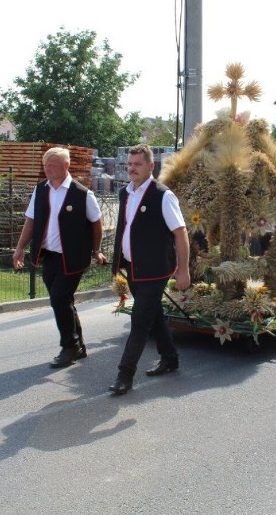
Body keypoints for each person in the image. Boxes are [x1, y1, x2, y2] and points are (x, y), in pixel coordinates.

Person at [12, 147, 106, 368]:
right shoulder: (41, 190)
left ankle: (69, 346)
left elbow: (97, 223)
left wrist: (97, 249)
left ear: (66, 166)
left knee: (58, 299)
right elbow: (31, 220)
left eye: (52, 164)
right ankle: (79, 345)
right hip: (49, 255)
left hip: (73, 257)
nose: (47, 168)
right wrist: (19, 249)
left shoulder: (82, 194)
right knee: (64, 301)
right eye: (45, 165)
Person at [109, 144, 190, 396]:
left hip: (155, 270)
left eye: (138, 164)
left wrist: (183, 270)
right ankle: (170, 358)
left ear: (151, 166)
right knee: (153, 314)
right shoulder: (126, 193)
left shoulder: (163, 195)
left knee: (140, 321)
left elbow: (180, 233)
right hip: (133, 267)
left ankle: (125, 375)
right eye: (130, 164)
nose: (132, 168)